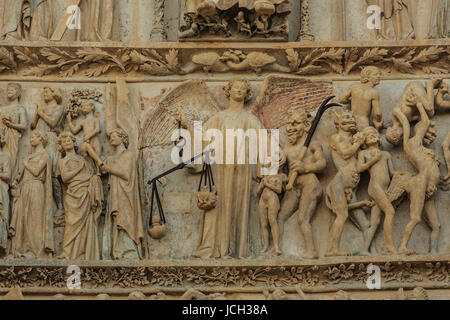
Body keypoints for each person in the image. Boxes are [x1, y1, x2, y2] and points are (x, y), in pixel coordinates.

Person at [100, 128, 145, 260]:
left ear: (122, 138)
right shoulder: (111, 158)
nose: (111, 139)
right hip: (114, 192)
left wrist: (108, 168)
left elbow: (125, 173)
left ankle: (128, 250)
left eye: (114, 136)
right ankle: (117, 251)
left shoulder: (127, 155)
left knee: (125, 219)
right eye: (110, 137)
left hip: (125, 193)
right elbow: (101, 169)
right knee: (116, 219)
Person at [10, 130, 54, 259]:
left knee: (35, 219)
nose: (31, 139)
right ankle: (23, 249)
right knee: (24, 218)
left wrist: (25, 162)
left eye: (34, 136)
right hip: (25, 188)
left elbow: (36, 171)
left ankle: (36, 250)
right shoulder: (28, 156)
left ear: (41, 139)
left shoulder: (45, 155)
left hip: (37, 187)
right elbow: (19, 176)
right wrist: (15, 182)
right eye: (31, 137)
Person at [58, 132, 102, 260]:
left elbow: (92, 173)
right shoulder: (63, 161)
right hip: (73, 194)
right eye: (64, 141)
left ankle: (83, 253)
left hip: (85, 192)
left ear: (74, 143)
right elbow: (65, 178)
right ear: (61, 146)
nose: (67, 142)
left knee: (85, 224)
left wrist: (94, 178)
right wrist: (78, 169)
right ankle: (67, 252)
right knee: (71, 223)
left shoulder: (83, 159)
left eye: (69, 140)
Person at [357, 126, 397, 254]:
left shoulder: (386, 154)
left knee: (375, 222)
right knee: (390, 211)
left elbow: (392, 173)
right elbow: (359, 168)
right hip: (375, 186)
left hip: (385, 188)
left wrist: (403, 176)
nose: (373, 135)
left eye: (374, 133)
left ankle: (364, 249)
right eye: (369, 135)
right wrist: (373, 160)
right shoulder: (363, 153)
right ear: (364, 141)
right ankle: (389, 246)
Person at [339, 66, 383, 131]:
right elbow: (378, 113)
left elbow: (341, 99)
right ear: (368, 77)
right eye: (375, 74)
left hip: (351, 121)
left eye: (379, 74)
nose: (379, 76)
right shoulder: (374, 92)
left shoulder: (354, 86)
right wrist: (377, 122)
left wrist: (351, 101)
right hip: (363, 122)